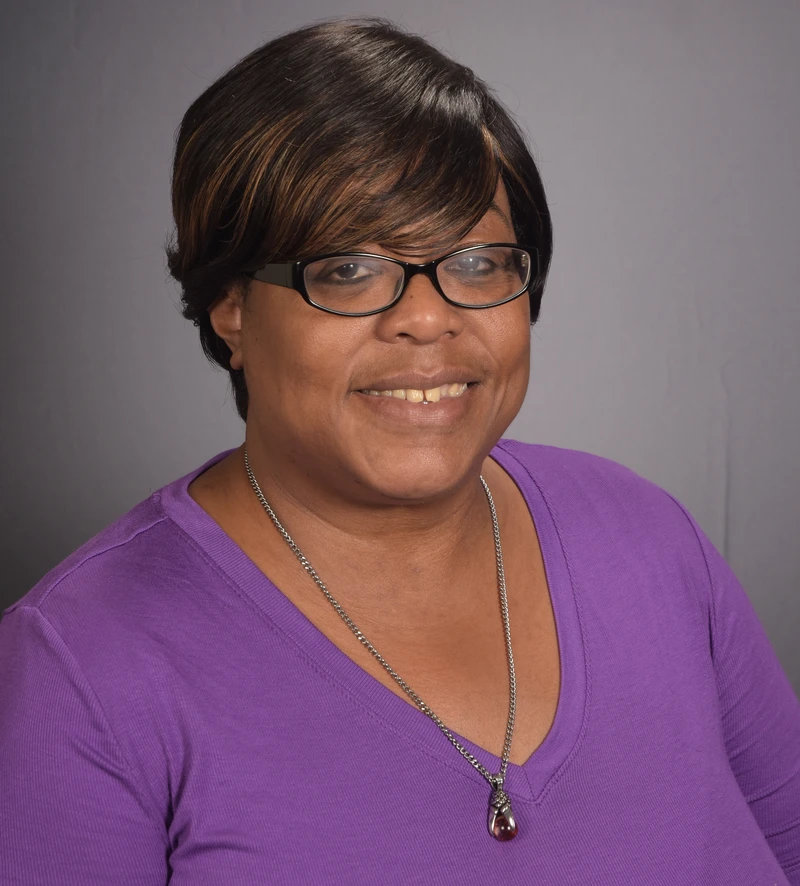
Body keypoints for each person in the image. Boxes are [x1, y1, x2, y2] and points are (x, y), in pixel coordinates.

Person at [1, 16, 798, 885]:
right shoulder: (75, 671)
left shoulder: (652, 542)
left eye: (479, 261)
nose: (427, 316)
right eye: (348, 267)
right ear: (231, 305)